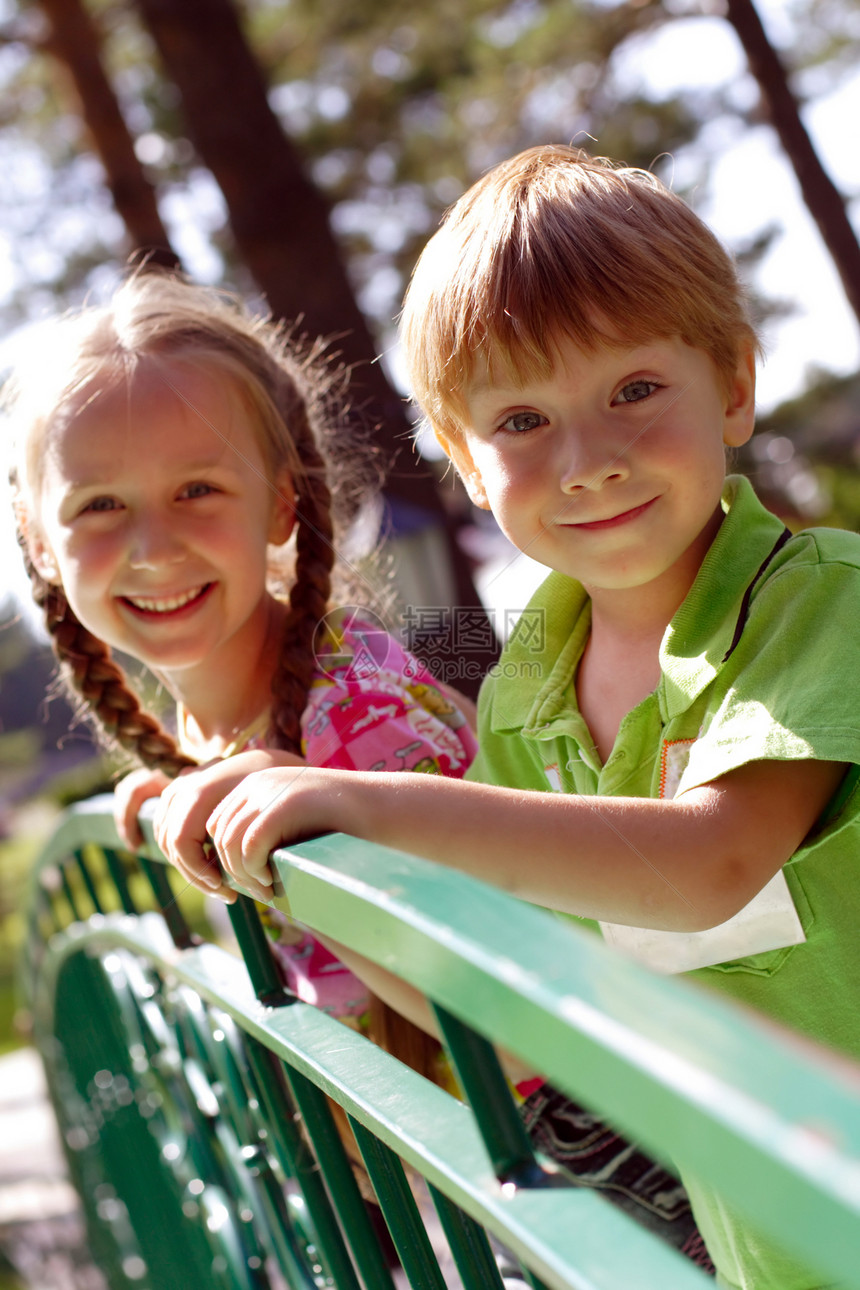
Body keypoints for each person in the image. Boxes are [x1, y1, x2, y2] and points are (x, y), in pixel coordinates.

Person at [152, 146, 860, 1290]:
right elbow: (523, 1005)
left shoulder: (817, 599)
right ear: (464, 462)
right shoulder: (531, 682)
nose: (585, 462)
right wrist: (295, 857)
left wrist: (364, 800)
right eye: (521, 420)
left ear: (731, 385)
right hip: (763, 1247)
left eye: (632, 392)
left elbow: (706, 865)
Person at [4, 269, 476, 1041]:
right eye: (100, 505)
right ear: (38, 544)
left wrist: (276, 857)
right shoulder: (226, 728)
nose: (153, 550)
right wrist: (184, 789)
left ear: (282, 504)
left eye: (197, 489)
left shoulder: (357, 720)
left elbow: (511, 1023)